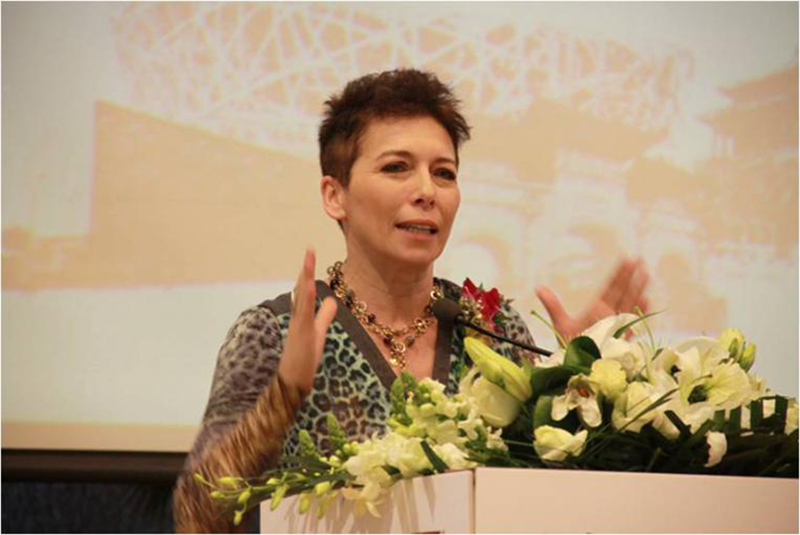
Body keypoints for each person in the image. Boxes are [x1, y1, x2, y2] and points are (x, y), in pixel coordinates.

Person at [172, 69, 649, 532]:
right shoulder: (275, 332)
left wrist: (583, 382)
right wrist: (284, 396)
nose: (426, 191)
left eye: (444, 173)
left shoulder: (494, 328)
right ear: (335, 195)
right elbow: (198, 517)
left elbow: (551, 505)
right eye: (396, 168)